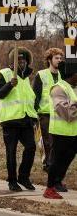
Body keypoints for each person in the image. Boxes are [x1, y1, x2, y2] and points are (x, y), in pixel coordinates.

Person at [0, 47, 37, 192]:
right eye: (18, 60)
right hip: (10, 120)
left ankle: (23, 177)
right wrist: (9, 85)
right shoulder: (5, 74)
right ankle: (12, 181)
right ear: (12, 62)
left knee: (31, 147)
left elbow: (29, 99)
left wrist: (34, 117)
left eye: (23, 60)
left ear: (27, 61)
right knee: (11, 151)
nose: (21, 62)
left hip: (26, 120)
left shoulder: (27, 78)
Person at [43, 62, 77, 199]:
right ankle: (49, 188)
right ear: (73, 75)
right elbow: (67, 113)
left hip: (73, 132)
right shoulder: (58, 89)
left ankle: (57, 182)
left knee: (68, 158)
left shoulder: (73, 87)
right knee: (57, 161)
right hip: (60, 132)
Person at [32, 48, 63, 174]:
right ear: (49, 60)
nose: (59, 60)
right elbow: (35, 95)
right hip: (45, 114)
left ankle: (54, 164)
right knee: (47, 141)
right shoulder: (41, 74)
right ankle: (48, 165)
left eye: (61, 58)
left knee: (58, 143)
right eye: (56, 58)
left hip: (60, 114)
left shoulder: (63, 74)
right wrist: (34, 115)